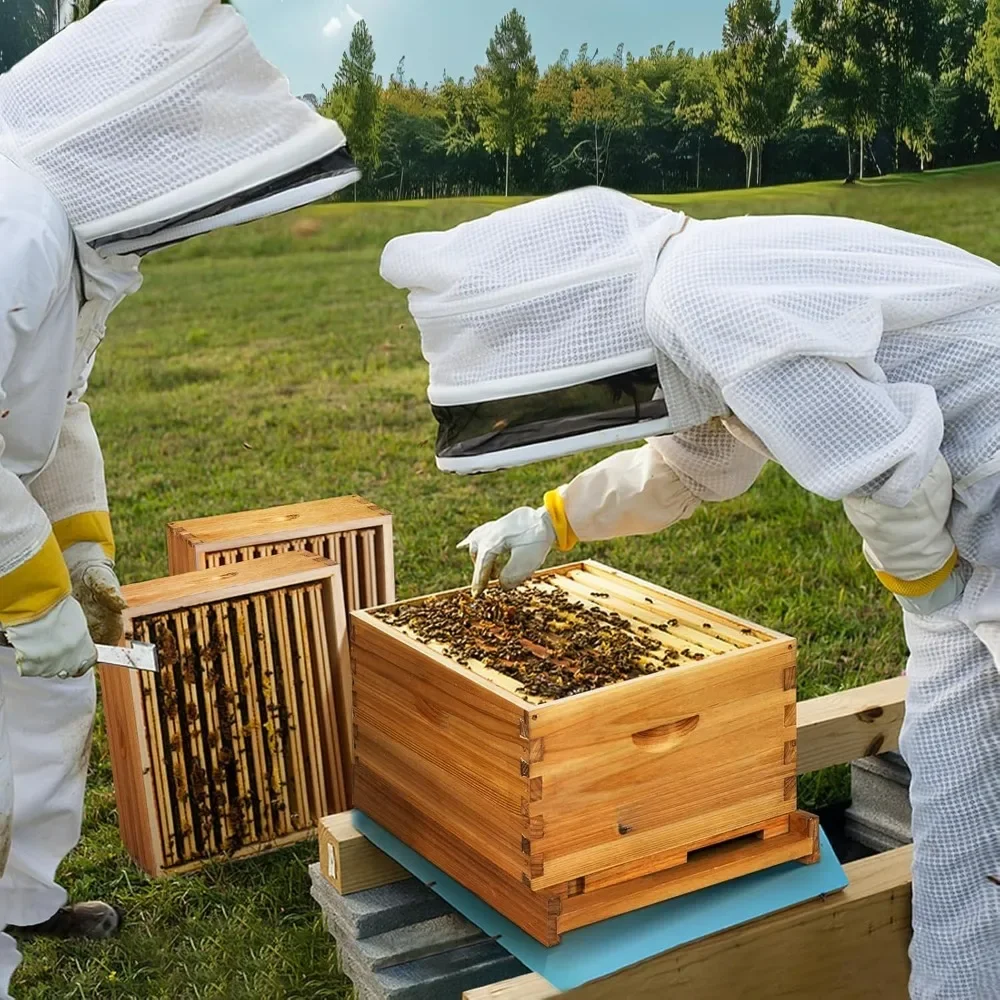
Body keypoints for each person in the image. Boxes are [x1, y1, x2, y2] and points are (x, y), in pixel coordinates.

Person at [380, 185, 1000, 999]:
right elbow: (694, 463)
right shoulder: (691, 296)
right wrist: (554, 519)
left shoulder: (701, 296)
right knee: (961, 797)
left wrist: (927, 586)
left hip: (970, 497)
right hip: (960, 522)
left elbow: (887, 466)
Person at [0, 0, 358, 993]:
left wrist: (79, 552)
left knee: (51, 692)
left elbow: (57, 408)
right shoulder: (9, 227)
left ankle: (22, 895)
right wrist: (29, 596)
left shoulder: (67, 232)